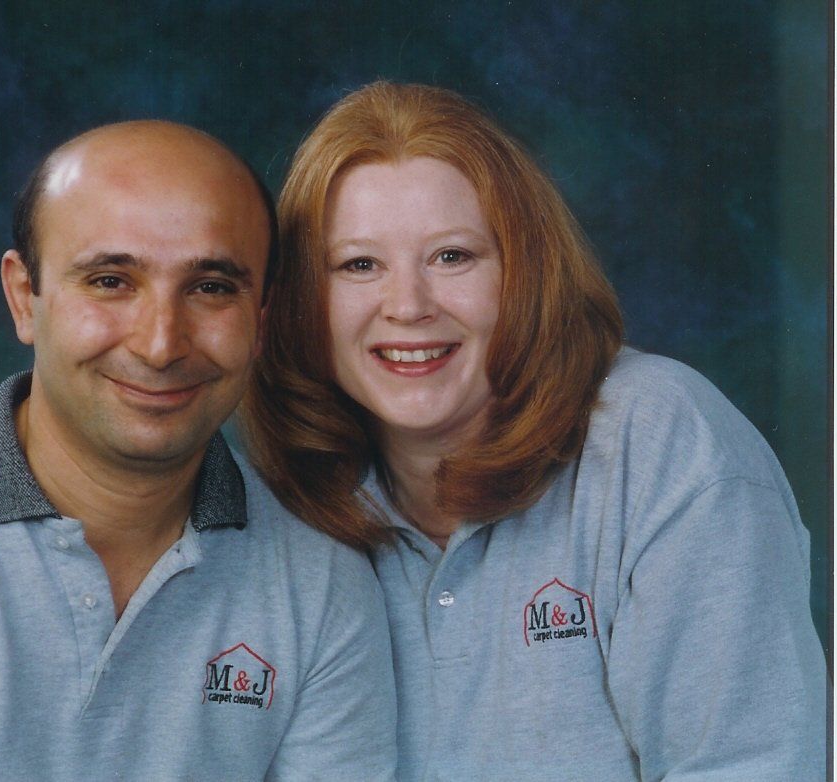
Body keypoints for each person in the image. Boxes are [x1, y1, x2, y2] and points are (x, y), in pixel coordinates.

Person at [241, 82, 827, 780]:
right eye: (358, 265)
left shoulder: (660, 438)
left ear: (524, 270)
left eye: (451, 256)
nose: (407, 306)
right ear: (303, 300)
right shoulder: (282, 506)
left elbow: (747, 764)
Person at [0, 120, 397, 780]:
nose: (160, 344)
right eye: (110, 281)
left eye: (211, 287)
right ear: (23, 297)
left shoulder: (322, 591)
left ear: (261, 319)